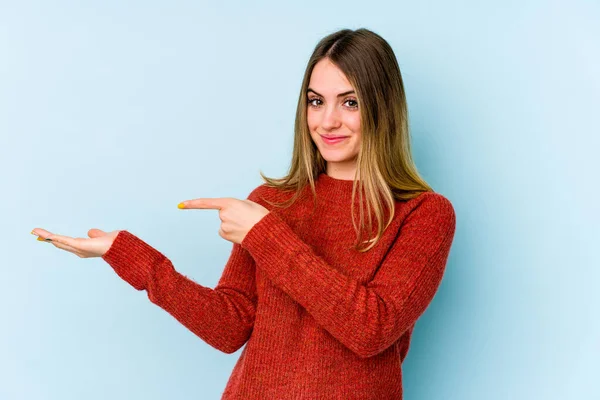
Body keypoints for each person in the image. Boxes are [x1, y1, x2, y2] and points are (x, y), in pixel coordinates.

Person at [31, 28, 456, 399]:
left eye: (350, 102)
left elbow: (370, 329)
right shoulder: (271, 203)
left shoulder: (425, 214)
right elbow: (228, 327)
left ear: (383, 108)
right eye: (315, 101)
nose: (327, 121)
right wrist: (130, 257)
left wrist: (264, 234)